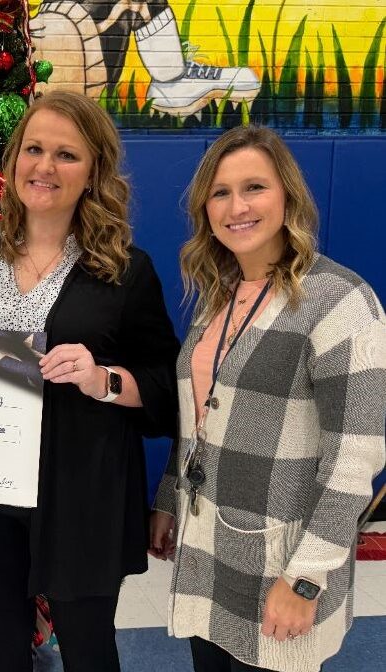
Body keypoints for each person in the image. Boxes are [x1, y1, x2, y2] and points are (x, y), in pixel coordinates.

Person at [0, 90, 179, 671]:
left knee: (89, 651)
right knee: (1, 648)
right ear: (13, 160)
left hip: (81, 492)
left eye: (66, 154)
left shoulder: (124, 269)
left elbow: (166, 384)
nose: (44, 167)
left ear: (93, 172)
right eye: (33, 149)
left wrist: (102, 379)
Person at [149, 126, 386, 672]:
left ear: (288, 196)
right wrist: (167, 496)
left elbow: (355, 459)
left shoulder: (340, 301)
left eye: (254, 187)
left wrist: (305, 578)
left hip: (281, 561)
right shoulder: (221, 294)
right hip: (207, 548)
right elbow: (200, 416)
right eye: (221, 192)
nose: (237, 206)